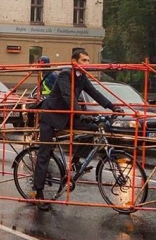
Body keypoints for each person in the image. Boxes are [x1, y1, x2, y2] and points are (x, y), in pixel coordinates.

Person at [33, 49, 123, 210]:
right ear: (74, 62)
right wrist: (81, 113)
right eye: (84, 60)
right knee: (44, 153)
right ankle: (39, 193)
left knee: (93, 128)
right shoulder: (65, 74)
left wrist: (113, 107)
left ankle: (75, 161)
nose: (87, 63)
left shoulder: (82, 77)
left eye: (88, 60)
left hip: (68, 115)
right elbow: (68, 97)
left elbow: (95, 93)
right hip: (52, 116)